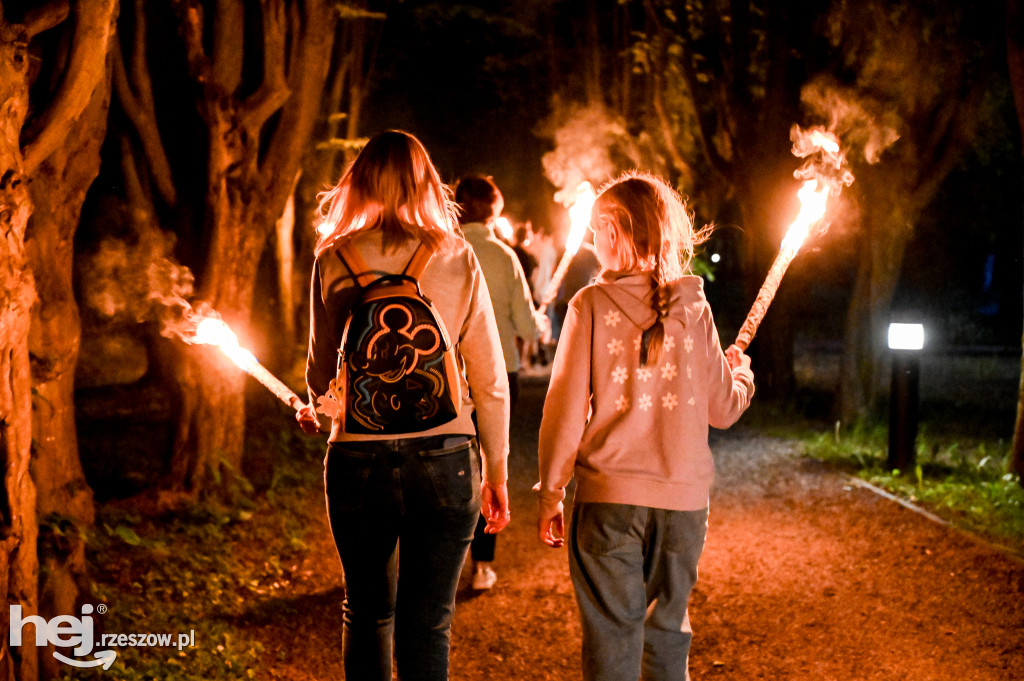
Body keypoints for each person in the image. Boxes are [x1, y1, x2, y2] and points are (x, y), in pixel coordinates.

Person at [295, 130, 511, 681]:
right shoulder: (456, 253)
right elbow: (488, 378)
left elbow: (322, 373)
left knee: (366, 614)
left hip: (357, 459)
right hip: (446, 453)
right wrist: (498, 471)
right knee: (428, 624)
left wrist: (319, 407)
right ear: (426, 183)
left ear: (359, 181)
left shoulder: (334, 256)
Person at [535, 171, 755, 681]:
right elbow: (723, 409)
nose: (591, 242)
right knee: (667, 633)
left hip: (609, 502)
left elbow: (564, 407)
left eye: (594, 230)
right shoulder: (694, 306)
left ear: (615, 230)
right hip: (683, 505)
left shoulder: (589, 305)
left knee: (613, 635)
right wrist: (740, 374)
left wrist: (551, 490)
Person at [454, 175, 547, 589]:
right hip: (497, 372)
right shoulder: (504, 256)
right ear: (488, 208)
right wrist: (540, 324)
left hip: (449, 374)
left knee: (453, 463)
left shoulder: (441, 251)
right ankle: (483, 564)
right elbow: (527, 325)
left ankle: (446, 555)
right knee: (493, 462)